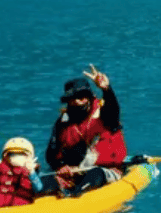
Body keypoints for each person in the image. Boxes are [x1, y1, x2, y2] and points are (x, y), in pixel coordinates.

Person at [45, 65, 128, 196]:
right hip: (74, 173)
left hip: (105, 171)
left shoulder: (105, 114)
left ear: (89, 97)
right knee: (47, 180)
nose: (77, 102)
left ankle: (75, 196)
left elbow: (113, 110)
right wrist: (61, 166)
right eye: (73, 98)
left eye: (81, 97)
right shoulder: (62, 122)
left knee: (95, 173)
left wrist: (106, 89)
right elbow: (51, 153)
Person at [0, 137, 61, 208]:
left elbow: (38, 188)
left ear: (29, 158)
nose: (16, 157)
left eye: (21, 154)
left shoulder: (30, 171)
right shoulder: (1, 169)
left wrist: (31, 173)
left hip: (20, 206)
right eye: (12, 154)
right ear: (6, 157)